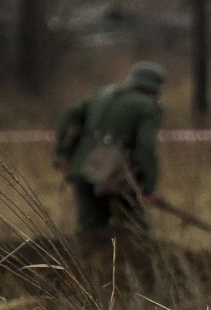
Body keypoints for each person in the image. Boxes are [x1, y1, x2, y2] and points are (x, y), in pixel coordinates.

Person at [54, 62, 166, 235]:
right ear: (156, 87)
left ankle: (89, 261)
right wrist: (147, 187)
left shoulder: (102, 94)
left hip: (83, 168)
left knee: (89, 230)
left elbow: (69, 118)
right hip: (117, 175)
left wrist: (62, 153)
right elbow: (146, 148)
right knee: (135, 231)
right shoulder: (149, 107)